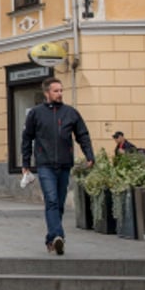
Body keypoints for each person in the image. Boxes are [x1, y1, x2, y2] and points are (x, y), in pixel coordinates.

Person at [21, 77, 94, 255]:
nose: (60, 93)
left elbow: (82, 135)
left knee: (59, 204)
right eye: (56, 91)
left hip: (64, 164)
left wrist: (89, 155)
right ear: (47, 93)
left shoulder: (71, 113)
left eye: (61, 90)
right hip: (45, 164)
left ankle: (51, 239)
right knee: (52, 200)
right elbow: (27, 138)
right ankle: (58, 235)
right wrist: (25, 163)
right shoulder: (36, 113)